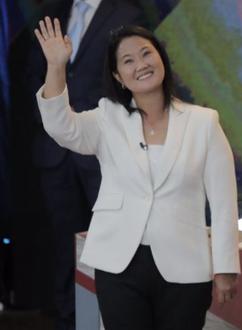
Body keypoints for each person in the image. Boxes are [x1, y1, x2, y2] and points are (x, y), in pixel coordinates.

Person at [34, 18, 240, 330]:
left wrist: (226, 267)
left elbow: (224, 202)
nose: (140, 65)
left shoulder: (203, 122)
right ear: (118, 76)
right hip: (119, 264)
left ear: (161, 59)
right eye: (128, 61)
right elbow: (61, 127)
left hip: (185, 266)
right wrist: (56, 66)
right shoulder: (107, 117)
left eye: (146, 54)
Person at [10, 1, 145, 328]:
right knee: (63, 242)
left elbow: (130, 77)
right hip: (55, 151)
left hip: (100, 146)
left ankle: (109, 317)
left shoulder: (126, 13)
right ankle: (69, 317)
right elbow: (31, 70)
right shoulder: (52, 10)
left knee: (108, 239)